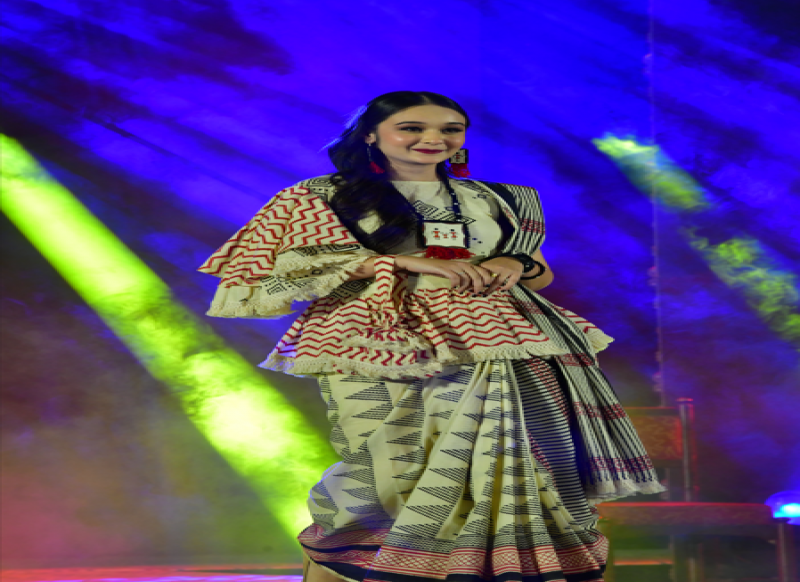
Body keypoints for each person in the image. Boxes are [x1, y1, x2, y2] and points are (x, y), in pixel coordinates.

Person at [199, 91, 665, 582]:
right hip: (373, 339)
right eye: (413, 127)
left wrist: (513, 263)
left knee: (519, 464)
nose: (434, 139)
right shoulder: (318, 196)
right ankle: (344, 562)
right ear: (370, 135)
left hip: (503, 340)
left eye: (450, 129)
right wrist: (402, 262)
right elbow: (278, 272)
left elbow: (540, 272)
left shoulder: (502, 198)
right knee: (384, 470)